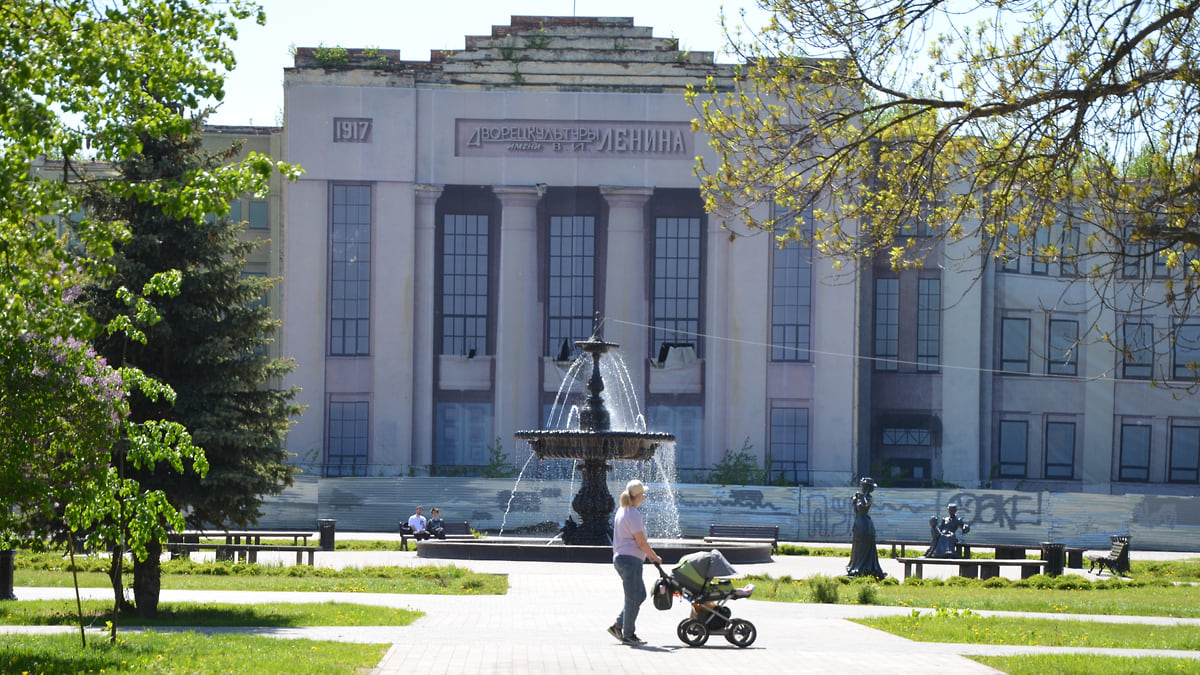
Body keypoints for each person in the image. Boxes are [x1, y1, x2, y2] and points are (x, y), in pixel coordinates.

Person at [607, 479, 662, 646]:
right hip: (630, 561)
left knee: (639, 595)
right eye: (642, 494)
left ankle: (618, 625)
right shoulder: (633, 514)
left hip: (621, 558)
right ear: (638, 497)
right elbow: (641, 542)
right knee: (633, 597)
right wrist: (654, 556)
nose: (643, 497)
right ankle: (628, 634)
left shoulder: (621, 511)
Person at [845, 477, 886, 579]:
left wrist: (862, 496)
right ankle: (854, 566)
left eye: (863, 486)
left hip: (865, 524)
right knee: (857, 546)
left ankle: (863, 568)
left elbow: (864, 504)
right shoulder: (861, 497)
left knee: (864, 546)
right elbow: (856, 509)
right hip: (858, 523)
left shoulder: (868, 498)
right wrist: (854, 500)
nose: (861, 488)